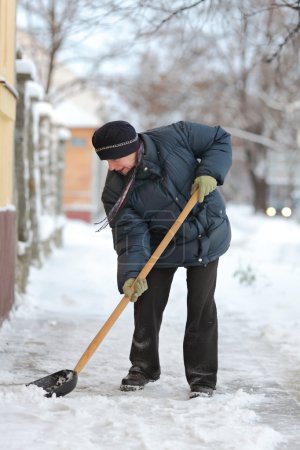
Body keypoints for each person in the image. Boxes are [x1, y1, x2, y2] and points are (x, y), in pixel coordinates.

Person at [92, 120, 232, 398]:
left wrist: (210, 172)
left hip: (205, 232)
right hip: (161, 243)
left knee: (201, 308)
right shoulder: (116, 189)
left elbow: (219, 138)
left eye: (114, 159)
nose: (111, 167)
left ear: (133, 149)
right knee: (147, 303)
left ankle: (202, 378)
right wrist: (132, 274)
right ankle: (143, 367)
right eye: (106, 162)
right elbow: (130, 234)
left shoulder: (176, 136)